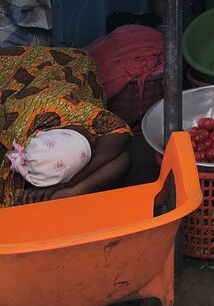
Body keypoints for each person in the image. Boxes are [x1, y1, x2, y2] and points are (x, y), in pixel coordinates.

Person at [0, 44, 131, 207]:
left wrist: (73, 185)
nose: (91, 136)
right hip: (19, 80)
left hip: (70, 63)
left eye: (86, 137)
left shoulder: (72, 110)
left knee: (117, 155)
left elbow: (121, 133)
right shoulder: (12, 147)